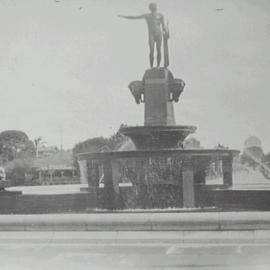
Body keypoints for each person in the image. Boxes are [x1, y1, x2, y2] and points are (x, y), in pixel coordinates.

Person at [118, 3, 166, 68]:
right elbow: (134, 17)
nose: (154, 8)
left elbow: (163, 26)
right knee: (151, 50)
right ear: (150, 8)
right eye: (152, 7)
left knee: (159, 50)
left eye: (154, 7)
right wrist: (123, 16)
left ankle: (158, 66)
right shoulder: (147, 16)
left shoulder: (160, 15)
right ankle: (151, 66)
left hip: (158, 34)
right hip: (151, 34)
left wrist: (165, 31)